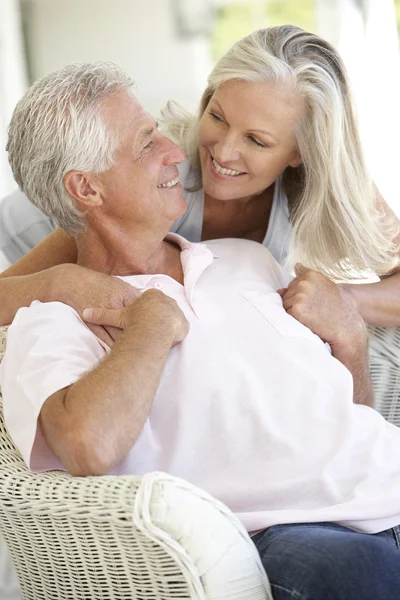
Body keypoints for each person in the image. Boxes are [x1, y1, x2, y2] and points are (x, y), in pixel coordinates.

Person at [2, 61, 400, 600]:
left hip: (385, 482)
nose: (180, 152)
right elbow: (87, 445)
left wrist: (349, 333)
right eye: (147, 143)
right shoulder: (56, 315)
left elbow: (342, 414)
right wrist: (149, 324)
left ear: (298, 151)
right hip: (306, 531)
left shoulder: (250, 261)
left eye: (258, 139)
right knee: (361, 574)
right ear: (88, 189)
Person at [0, 25, 399, 343]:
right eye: (217, 116)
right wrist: (59, 282)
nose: (223, 152)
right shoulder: (155, 184)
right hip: (16, 240)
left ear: (302, 152)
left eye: (256, 140)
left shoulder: (328, 186)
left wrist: (345, 300)